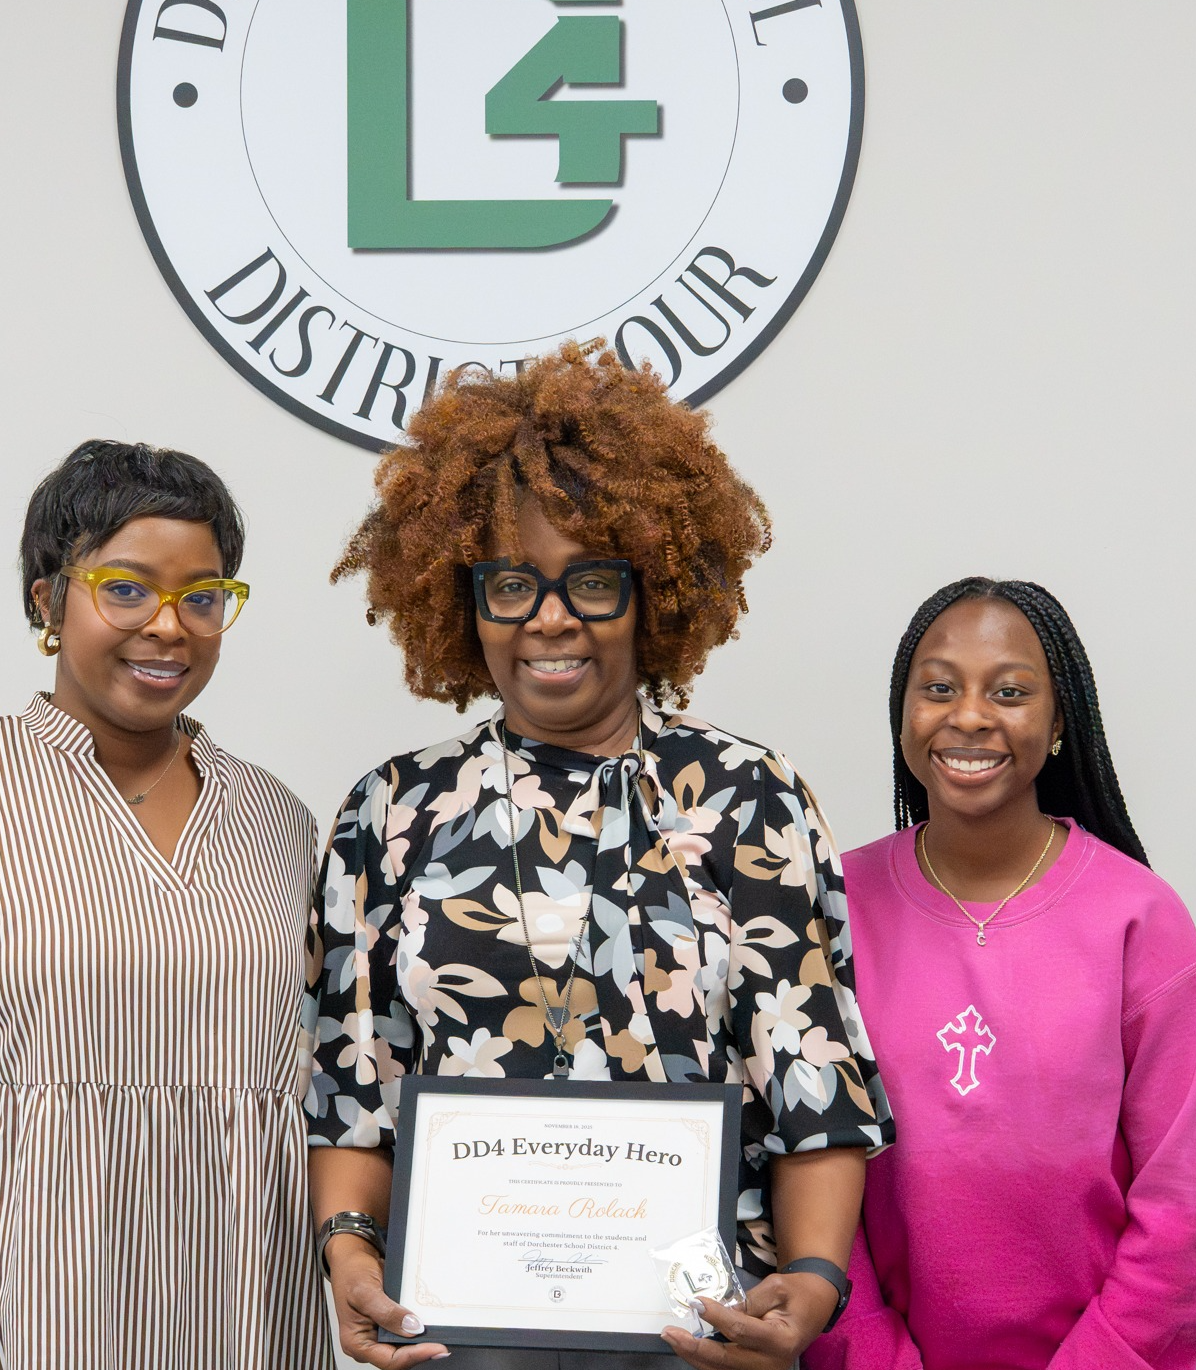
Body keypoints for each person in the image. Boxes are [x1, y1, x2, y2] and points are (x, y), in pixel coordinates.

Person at [303, 342, 894, 1370]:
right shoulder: (390, 812)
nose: (548, 616)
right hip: (460, 1343)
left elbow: (810, 1078)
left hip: (702, 1343)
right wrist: (349, 1255)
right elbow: (356, 1085)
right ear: (457, 598)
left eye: (589, 579)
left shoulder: (747, 797)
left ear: (653, 588)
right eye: (509, 584)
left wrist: (810, 1283)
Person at [0, 441, 333, 1370]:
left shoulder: (277, 822)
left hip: (248, 1328)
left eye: (204, 595)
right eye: (127, 588)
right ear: (47, 601)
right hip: (32, 1332)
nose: (170, 627)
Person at [804, 578, 1196, 1370]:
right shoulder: (829, 907)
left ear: (1059, 724)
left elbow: (1182, 1195)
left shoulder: (1142, 920)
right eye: (938, 687)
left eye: (1011, 691)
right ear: (903, 714)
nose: (971, 715)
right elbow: (804, 1150)